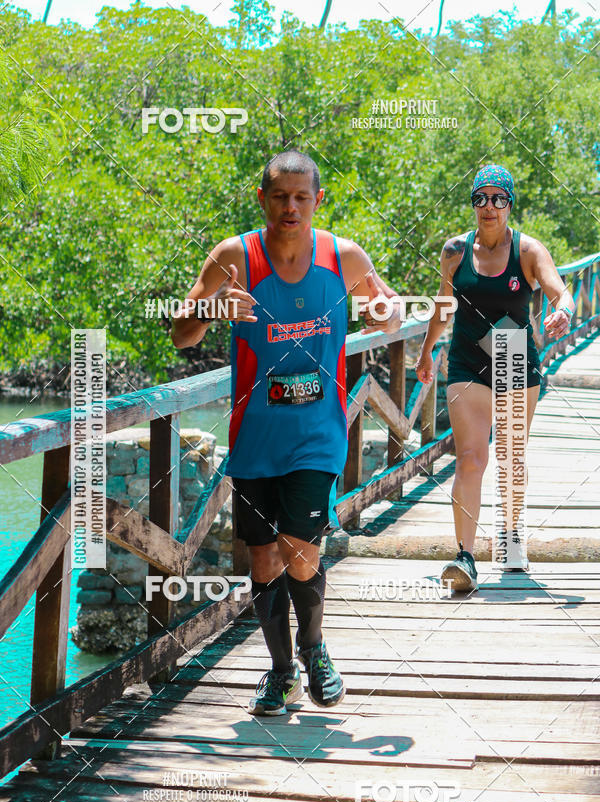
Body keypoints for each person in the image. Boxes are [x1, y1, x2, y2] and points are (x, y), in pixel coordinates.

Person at [171, 149, 403, 714]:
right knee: (263, 562)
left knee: (300, 550)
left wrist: (385, 312)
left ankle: (314, 648)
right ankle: (280, 673)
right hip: (255, 437)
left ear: (317, 200)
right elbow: (181, 334)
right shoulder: (234, 257)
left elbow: (389, 311)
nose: (290, 207)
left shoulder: (343, 257)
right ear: (263, 199)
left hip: (318, 435)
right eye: (280, 197)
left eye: (301, 197)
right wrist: (214, 309)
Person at [415, 164, 574, 591]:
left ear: (510, 204)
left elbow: (559, 289)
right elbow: (443, 306)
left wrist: (563, 309)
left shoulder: (528, 250)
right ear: (473, 203)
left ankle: (510, 535)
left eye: (499, 198)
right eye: (481, 198)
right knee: (471, 457)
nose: (490, 206)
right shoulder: (454, 251)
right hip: (466, 361)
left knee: (510, 457)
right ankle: (465, 557)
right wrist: (427, 350)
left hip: (514, 359)